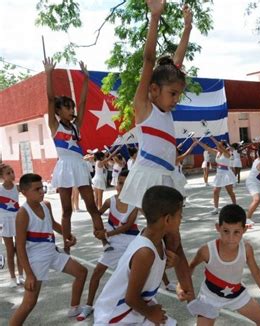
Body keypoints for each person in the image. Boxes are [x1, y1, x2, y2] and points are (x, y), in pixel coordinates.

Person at [117, 0, 195, 302]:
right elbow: (150, 62)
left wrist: (187, 28)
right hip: (149, 177)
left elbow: (174, 63)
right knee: (154, 239)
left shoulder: (165, 107)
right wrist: (155, 17)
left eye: (178, 93)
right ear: (153, 90)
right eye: (173, 93)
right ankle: (136, 294)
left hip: (166, 176)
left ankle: (187, 292)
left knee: (175, 241)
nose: (176, 99)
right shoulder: (145, 107)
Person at [93, 185, 183, 324]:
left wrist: (172, 262)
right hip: (116, 316)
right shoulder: (144, 252)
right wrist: (151, 313)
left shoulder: (157, 239)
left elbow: (149, 273)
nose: (181, 218)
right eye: (179, 214)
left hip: (133, 309)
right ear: (167, 220)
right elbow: (131, 298)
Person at [43, 57, 107, 253]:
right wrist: (48, 74)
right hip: (64, 166)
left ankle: (104, 240)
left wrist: (86, 80)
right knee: (67, 210)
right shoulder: (55, 126)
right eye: (67, 107)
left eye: (72, 107)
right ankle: (67, 245)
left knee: (91, 206)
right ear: (58, 111)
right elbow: (49, 98)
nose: (71, 110)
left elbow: (84, 102)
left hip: (78, 165)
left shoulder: (76, 127)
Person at [10, 173, 88, 324]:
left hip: (52, 252)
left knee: (81, 272)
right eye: (37, 189)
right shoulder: (23, 213)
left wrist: (68, 235)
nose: (41, 191)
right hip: (36, 259)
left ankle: (74, 308)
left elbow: (52, 224)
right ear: (24, 192)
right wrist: (29, 274)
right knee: (28, 304)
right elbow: (19, 247)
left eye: (42, 188)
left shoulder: (46, 205)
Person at [189, 204, 260, 326]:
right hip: (209, 297)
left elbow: (256, 272)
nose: (230, 238)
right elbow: (190, 266)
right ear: (218, 228)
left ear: (244, 230)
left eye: (236, 232)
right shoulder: (207, 250)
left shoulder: (246, 249)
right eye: (226, 231)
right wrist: (181, 286)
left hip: (236, 294)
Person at [76, 170, 139, 321]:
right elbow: (96, 215)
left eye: (125, 183)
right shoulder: (110, 201)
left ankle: (134, 305)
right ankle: (88, 306)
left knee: (133, 276)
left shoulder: (135, 204)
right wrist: (96, 228)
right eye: (119, 183)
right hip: (113, 243)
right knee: (97, 272)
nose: (121, 186)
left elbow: (127, 226)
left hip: (131, 241)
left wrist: (105, 235)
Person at [199, 138, 237, 215]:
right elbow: (207, 148)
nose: (217, 147)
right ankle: (216, 208)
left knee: (230, 192)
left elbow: (220, 146)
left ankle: (235, 206)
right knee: (215, 191)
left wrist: (211, 136)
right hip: (219, 174)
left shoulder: (227, 153)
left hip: (226, 174)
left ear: (223, 147)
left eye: (220, 146)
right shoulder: (217, 153)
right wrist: (197, 141)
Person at [0, 165, 24, 287]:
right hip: (4, 221)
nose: (12, 174)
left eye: (12, 172)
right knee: (10, 251)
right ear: (2, 177)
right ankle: (12, 277)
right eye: (8, 173)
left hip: (17, 219)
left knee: (20, 249)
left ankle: (21, 275)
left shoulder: (17, 188)